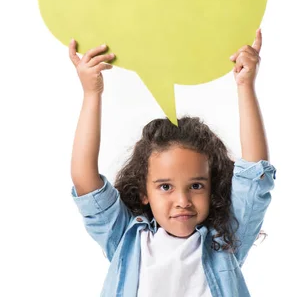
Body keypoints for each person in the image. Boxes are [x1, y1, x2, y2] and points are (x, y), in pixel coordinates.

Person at [68, 29, 276, 297]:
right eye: (165, 186)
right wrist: (91, 93)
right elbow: (86, 183)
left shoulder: (225, 244)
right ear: (144, 191)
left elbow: (255, 174)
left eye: (197, 185)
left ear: (213, 187)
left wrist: (245, 86)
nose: (183, 200)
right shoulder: (127, 240)